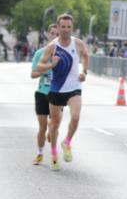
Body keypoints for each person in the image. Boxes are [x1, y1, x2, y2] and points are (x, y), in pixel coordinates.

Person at [35, 13, 90, 171]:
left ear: (72, 28)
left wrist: (84, 72)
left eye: (69, 27)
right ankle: (53, 154)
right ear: (58, 28)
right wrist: (51, 65)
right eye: (63, 27)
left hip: (74, 87)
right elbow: (39, 66)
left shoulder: (78, 44)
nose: (66, 30)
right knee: (55, 124)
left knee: (75, 116)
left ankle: (66, 142)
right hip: (56, 89)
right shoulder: (52, 46)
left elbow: (86, 56)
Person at [30, 24, 60, 165]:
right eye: (52, 33)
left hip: (58, 94)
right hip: (42, 93)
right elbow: (33, 74)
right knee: (42, 126)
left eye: (57, 34)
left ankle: (54, 155)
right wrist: (46, 69)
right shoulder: (40, 53)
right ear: (48, 35)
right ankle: (40, 153)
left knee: (54, 126)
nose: (54, 36)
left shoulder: (63, 55)